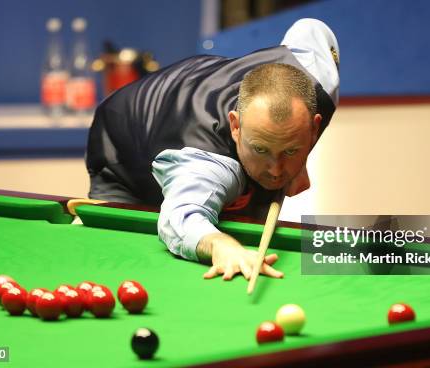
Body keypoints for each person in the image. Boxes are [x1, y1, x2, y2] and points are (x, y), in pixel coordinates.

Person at [85, 18, 340, 281]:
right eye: (261, 149)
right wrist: (221, 246)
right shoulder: (207, 164)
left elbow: (311, 28)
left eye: (289, 150)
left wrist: (299, 156)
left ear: (313, 126)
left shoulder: (318, 80)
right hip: (123, 146)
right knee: (127, 262)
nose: (276, 170)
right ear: (235, 126)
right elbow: (180, 220)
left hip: (195, 87)